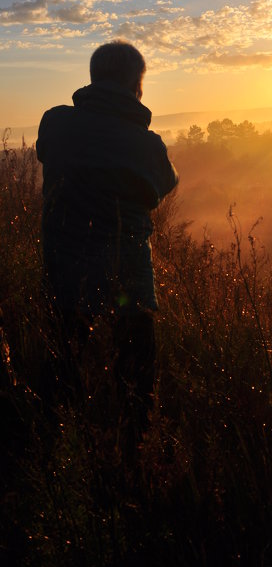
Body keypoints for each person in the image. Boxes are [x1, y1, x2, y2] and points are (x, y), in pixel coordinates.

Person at [36, 40, 178, 447]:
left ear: (94, 78)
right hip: (127, 280)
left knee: (61, 364)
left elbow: (47, 154)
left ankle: (50, 448)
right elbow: (162, 186)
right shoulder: (146, 146)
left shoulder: (55, 123)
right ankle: (133, 457)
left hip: (64, 274)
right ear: (137, 85)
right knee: (135, 379)